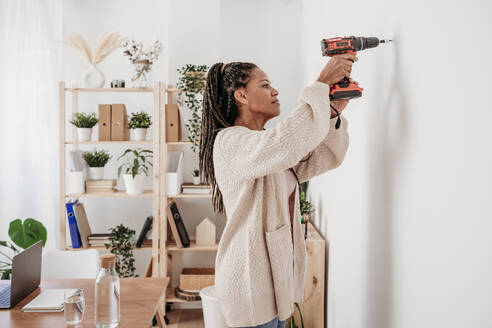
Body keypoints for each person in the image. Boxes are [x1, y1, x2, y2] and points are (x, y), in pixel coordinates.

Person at [199, 54, 356, 328]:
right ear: (241, 96)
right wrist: (320, 84)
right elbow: (283, 142)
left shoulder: (265, 151)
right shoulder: (230, 142)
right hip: (248, 282)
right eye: (265, 85)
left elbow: (325, 156)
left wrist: (331, 113)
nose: (275, 91)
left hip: (273, 282)